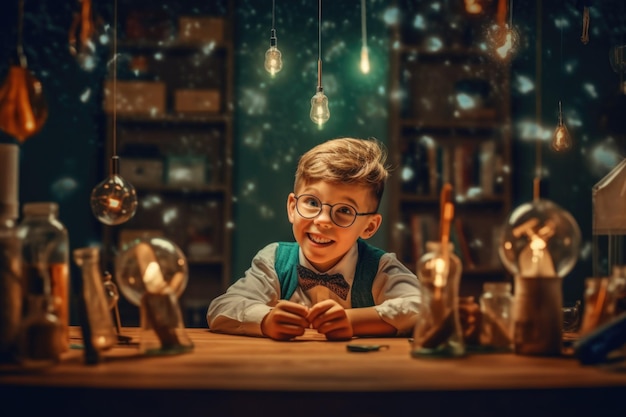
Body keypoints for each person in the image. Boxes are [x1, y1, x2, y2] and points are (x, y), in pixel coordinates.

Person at [207, 137, 422, 341]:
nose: (322, 220)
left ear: (369, 226)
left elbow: (424, 306)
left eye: (345, 210)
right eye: (311, 202)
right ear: (292, 208)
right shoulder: (273, 260)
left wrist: (353, 321)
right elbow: (222, 308)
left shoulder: (380, 267)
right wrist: (266, 320)